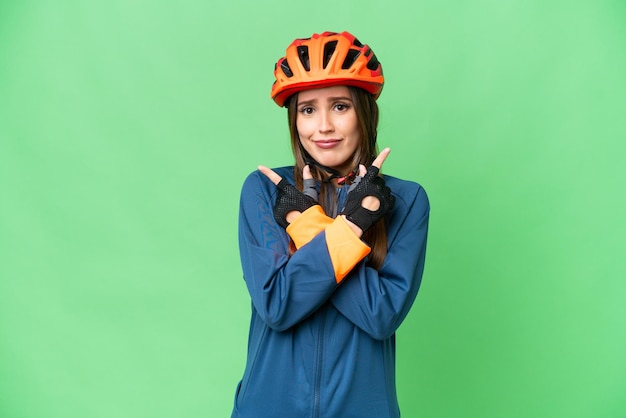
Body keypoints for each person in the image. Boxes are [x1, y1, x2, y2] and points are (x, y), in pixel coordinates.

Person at [231, 31, 430, 418]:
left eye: (339, 106)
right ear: (295, 119)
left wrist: (308, 228)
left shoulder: (406, 201)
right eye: (308, 110)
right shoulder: (266, 191)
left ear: (364, 112)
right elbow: (278, 304)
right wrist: (351, 227)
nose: (322, 126)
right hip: (267, 408)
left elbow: (380, 315)